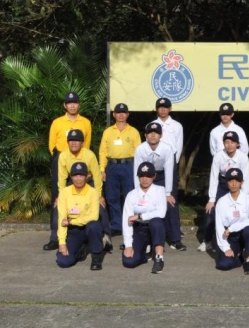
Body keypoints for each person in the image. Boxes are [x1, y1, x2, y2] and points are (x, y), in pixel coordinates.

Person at [44, 91, 92, 251]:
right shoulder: (57, 122)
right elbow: (51, 144)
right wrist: (59, 158)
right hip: (61, 162)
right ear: (65, 105)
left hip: (80, 162)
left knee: (82, 197)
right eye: (69, 103)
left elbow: (87, 144)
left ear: (79, 105)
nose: (72, 105)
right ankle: (55, 237)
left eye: (75, 103)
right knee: (58, 199)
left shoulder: (85, 122)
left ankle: (82, 235)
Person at [133, 122, 185, 251]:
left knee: (171, 205)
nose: (153, 135)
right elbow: (136, 172)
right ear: (145, 135)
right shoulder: (140, 149)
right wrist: (138, 191)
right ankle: (138, 239)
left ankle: (175, 240)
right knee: (141, 205)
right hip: (145, 177)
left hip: (162, 177)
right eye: (150, 133)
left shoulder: (167, 149)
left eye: (156, 133)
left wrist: (168, 193)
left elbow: (169, 171)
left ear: (161, 136)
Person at [200, 131, 249, 252]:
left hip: (238, 183)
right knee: (211, 210)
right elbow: (214, 177)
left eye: (233, 142)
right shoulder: (218, 156)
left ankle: (246, 241)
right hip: (223, 183)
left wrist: (245, 198)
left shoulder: (243, 157)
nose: (230, 145)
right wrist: (212, 199)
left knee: (242, 211)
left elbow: (246, 179)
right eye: (227, 142)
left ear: (238, 144)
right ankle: (207, 240)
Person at [55, 129, 108, 248]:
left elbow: (97, 176)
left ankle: (105, 236)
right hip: (71, 181)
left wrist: (99, 195)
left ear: (82, 143)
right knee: (58, 206)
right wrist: (60, 196)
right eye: (71, 140)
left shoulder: (90, 155)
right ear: (67, 142)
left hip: (89, 180)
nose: (73, 143)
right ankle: (56, 238)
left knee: (101, 206)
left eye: (77, 140)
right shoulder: (63, 155)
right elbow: (62, 178)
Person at [99, 103, 141, 236]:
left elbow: (139, 152)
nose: (121, 115)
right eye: (118, 112)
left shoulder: (133, 131)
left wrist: (138, 171)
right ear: (114, 114)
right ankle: (116, 225)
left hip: (129, 165)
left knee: (130, 195)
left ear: (127, 114)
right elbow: (103, 151)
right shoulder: (108, 132)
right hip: (112, 166)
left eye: (123, 112)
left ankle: (130, 223)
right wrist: (102, 169)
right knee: (112, 196)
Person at [55, 162, 104, 271]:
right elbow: (62, 219)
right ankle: (81, 251)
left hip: (88, 228)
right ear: (71, 177)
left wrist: (72, 221)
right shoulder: (64, 193)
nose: (78, 179)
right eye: (75, 175)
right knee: (63, 261)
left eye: (81, 175)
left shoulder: (93, 192)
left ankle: (96, 256)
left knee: (94, 225)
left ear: (86, 177)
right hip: (73, 231)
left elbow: (94, 216)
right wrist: (62, 243)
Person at [121, 161, 167, 273]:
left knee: (156, 222)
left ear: (154, 176)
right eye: (141, 176)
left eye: (148, 176)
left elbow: (161, 212)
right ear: (138, 177)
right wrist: (128, 245)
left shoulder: (160, 190)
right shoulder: (131, 195)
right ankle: (145, 252)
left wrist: (140, 216)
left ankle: (159, 258)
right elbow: (127, 220)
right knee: (129, 262)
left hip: (155, 227)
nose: (145, 179)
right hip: (139, 228)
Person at [153, 97, 186, 249]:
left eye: (165, 107)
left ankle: (175, 238)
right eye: (160, 107)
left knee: (171, 200)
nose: (163, 109)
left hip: (170, 163)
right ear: (156, 109)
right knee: (153, 200)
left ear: (170, 109)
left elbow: (178, 146)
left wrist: (173, 163)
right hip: (154, 164)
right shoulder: (152, 125)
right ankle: (153, 237)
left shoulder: (177, 125)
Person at [215, 168, 249, 274]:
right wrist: (226, 248)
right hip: (231, 237)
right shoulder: (221, 202)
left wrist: (232, 228)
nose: (234, 184)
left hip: (246, 234)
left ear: (242, 182)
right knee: (223, 265)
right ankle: (240, 257)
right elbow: (219, 226)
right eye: (231, 180)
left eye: (237, 181)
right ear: (226, 182)